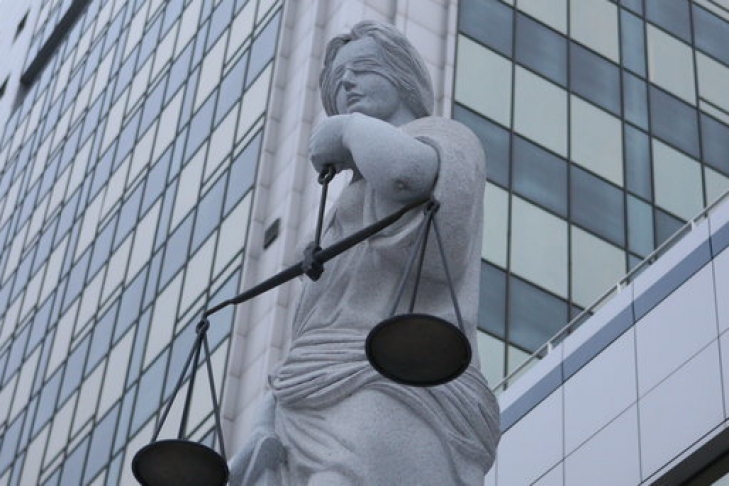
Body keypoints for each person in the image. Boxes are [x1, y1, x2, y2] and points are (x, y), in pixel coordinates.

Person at [230, 20, 500, 486]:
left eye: (363, 69)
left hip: (385, 381)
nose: (348, 83)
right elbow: (314, 326)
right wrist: (264, 418)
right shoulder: (342, 209)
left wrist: (350, 128)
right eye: (338, 79)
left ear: (401, 75)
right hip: (311, 392)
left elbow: (404, 175)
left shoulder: (446, 138)